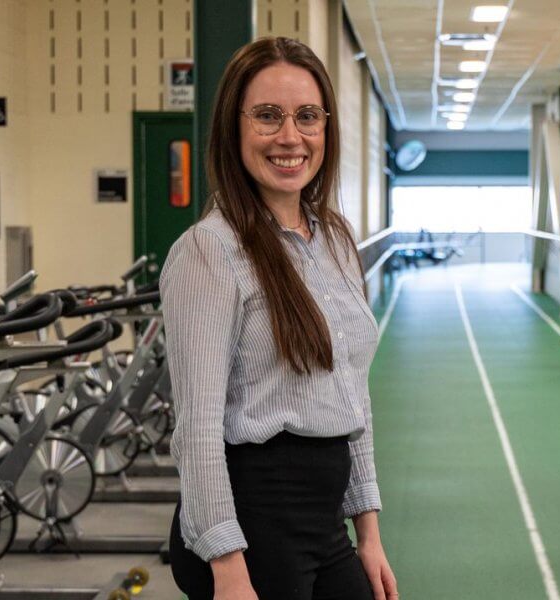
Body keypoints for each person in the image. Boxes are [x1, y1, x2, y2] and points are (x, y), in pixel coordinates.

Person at [161, 37, 397, 600]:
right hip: (253, 524)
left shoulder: (334, 238)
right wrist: (227, 567)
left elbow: (351, 398)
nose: (290, 137)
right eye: (268, 116)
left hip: (324, 523)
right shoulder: (209, 252)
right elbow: (196, 427)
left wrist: (369, 530)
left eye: (307, 117)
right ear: (233, 128)